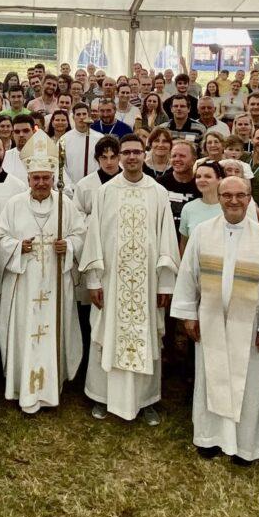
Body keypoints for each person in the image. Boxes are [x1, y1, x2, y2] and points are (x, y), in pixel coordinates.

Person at [171, 176, 259, 464]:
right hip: (209, 319)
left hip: (248, 325)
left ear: (249, 198)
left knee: (246, 383)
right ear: (219, 197)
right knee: (210, 378)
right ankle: (209, 438)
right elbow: (188, 275)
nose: (234, 201)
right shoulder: (202, 232)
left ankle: (244, 447)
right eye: (227, 195)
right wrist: (188, 316)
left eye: (240, 195)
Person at [80, 133, 180, 423]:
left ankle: (145, 399)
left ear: (145, 154)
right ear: (120, 156)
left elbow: (166, 241)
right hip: (112, 282)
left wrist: (165, 284)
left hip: (147, 283)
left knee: (146, 334)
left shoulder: (158, 193)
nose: (132, 157)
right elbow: (95, 238)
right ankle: (102, 396)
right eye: (127, 152)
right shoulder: (106, 192)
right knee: (107, 333)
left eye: (137, 152)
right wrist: (94, 282)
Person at [0, 132, 88, 414]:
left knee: (52, 329)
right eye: (36, 178)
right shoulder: (14, 205)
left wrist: (68, 245)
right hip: (24, 281)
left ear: (52, 177)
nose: (42, 183)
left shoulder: (65, 205)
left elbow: (81, 235)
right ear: (29, 179)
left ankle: (51, 385)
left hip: (55, 280)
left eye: (46, 177)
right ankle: (23, 386)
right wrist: (16, 246)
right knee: (26, 330)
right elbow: (0, 239)